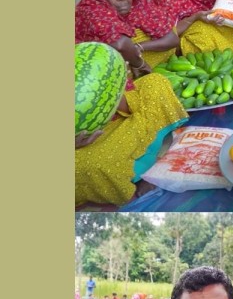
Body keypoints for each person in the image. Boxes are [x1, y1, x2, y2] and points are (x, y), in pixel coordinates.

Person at [75, 67, 188, 208]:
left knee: (154, 81)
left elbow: (126, 82)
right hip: (81, 142)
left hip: (113, 114)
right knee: (94, 165)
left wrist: (105, 95)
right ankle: (130, 190)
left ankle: (148, 161)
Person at [75, 0, 183, 75]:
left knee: (158, 33)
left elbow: (173, 39)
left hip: (132, 58)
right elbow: (120, 44)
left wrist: (138, 47)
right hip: (99, 71)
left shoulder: (138, 4)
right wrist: (140, 64)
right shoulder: (92, 10)